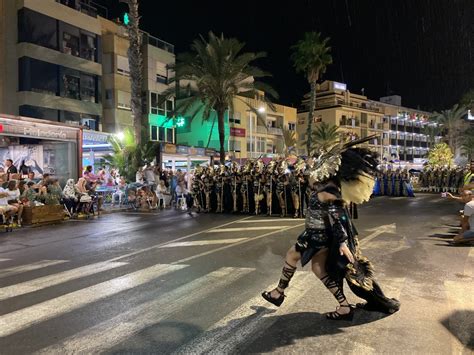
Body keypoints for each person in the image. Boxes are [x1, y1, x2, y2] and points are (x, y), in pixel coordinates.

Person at [261, 138, 401, 320]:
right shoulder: (325, 185)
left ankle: (278, 293)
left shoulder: (330, 190)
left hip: (317, 236)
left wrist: (342, 241)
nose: (314, 166)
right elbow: (309, 180)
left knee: (291, 256)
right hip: (317, 233)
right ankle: (344, 306)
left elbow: (338, 216)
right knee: (318, 268)